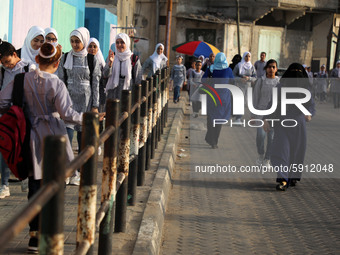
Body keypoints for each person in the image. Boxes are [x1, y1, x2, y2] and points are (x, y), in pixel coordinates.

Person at [0, 42, 104, 253]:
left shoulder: (23, 79)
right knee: (56, 183)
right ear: (57, 63)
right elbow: (67, 114)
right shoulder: (57, 84)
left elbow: (3, 101)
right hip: (55, 136)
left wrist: (18, 113)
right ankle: (51, 232)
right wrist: (89, 117)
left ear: (36, 59)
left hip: (30, 136)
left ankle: (33, 236)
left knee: (35, 186)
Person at [57, 27, 101, 185]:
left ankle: (82, 172)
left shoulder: (91, 59)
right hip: (68, 102)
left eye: (78, 41)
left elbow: (95, 83)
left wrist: (95, 105)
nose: (75, 44)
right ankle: (69, 171)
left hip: (86, 102)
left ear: (84, 41)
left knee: (83, 140)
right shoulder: (66, 57)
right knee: (66, 138)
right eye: (73, 41)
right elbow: (60, 80)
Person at [263, 63, 315, 191]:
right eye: (293, 71)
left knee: (296, 152)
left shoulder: (306, 90)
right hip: (282, 124)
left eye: (298, 71)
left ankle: (292, 176)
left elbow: (311, 106)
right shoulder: (280, 87)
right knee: (282, 151)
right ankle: (283, 179)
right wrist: (265, 119)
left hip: (298, 125)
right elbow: (271, 104)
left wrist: (309, 114)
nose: (296, 74)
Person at [0, 40, 32, 198]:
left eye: (8, 61)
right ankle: (4, 184)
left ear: (15, 55)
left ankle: (24, 176)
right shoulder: (3, 71)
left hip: (23, 114)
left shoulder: (27, 67)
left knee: (22, 147)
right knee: (5, 148)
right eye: (3, 63)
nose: (7, 65)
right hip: (6, 115)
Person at [251, 59, 280, 168]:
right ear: (266, 68)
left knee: (271, 138)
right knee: (260, 136)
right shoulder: (261, 81)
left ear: (276, 69)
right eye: (269, 67)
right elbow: (255, 97)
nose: (271, 69)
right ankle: (260, 154)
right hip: (261, 112)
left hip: (274, 114)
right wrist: (252, 115)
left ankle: (267, 159)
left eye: (273, 67)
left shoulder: (279, 82)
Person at [203, 52, 233, 149]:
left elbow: (203, 80)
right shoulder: (228, 70)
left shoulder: (210, 69)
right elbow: (233, 82)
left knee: (211, 118)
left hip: (212, 97)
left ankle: (211, 138)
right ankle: (214, 141)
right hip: (224, 98)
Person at [105, 33, 142, 100]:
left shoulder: (133, 58)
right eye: (117, 42)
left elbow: (138, 79)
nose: (119, 45)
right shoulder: (112, 57)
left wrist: (137, 97)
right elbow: (105, 74)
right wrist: (110, 64)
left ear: (127, 43)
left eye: (122, 42)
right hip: (112, 93)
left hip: (127, 94)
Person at [233, 51, 256, 124]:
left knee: (245, 103)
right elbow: (233, 76)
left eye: (249, 56)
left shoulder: (251, 67)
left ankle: (239, 117)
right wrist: (240, 79)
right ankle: (238, 118)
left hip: (248, 87)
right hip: (239, 86)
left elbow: (255, 77)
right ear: (243, 57)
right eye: (246, 56)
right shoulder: (238, 65)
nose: (247, 58)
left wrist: (249, 79)